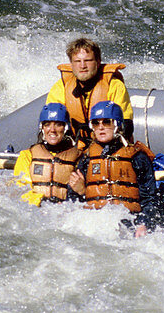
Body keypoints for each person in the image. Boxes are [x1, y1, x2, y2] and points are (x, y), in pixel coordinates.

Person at [67, 101, 156, 236]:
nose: (101, 127)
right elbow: (72, 200)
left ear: (117, 125)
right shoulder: (86, 158)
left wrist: (143, 224)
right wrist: (82, 192)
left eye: (107, 122)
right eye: (96, 123)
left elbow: (149, 197)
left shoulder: (136, 156)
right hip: (95, 223)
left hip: (129, 223)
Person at [45, 37, 134, 144]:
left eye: (88, 60)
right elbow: (52, 125)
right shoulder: (61, 86)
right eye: (77, 61)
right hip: (73, 145)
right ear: (71, 64)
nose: (83, 66)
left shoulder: (114, 85)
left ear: (98, 62)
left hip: (107, 146)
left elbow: (125, 125)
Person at [11, 103, 82, 206]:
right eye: (47, 124)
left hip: (64, 210)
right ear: (42, 128)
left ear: (65, 128)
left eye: (58, 124)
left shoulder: (78, 157)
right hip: (36, 210)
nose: (52, 129)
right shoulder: (27, 155)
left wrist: (82, 190)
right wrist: (42, 201)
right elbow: (21, 189)